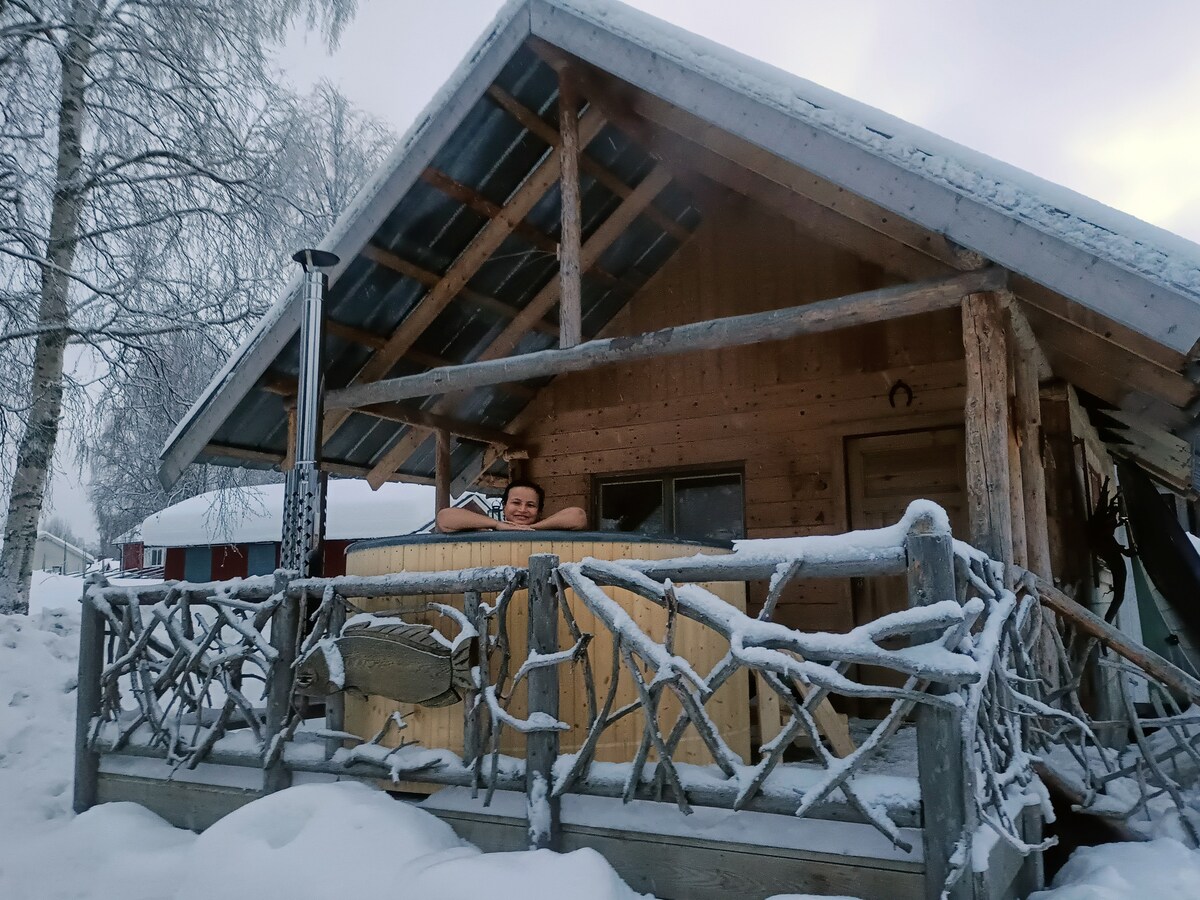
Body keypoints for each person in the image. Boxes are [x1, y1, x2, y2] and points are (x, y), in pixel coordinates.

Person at [436, 479, 587, 533]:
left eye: (530, 505)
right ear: (504, 505)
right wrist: (497, 525)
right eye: (516, 503)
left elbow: (578, 516)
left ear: (539, 511)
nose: (522, 510)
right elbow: (444, 518)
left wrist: (534, 528)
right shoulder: (487, 529)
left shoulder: (547, 529)